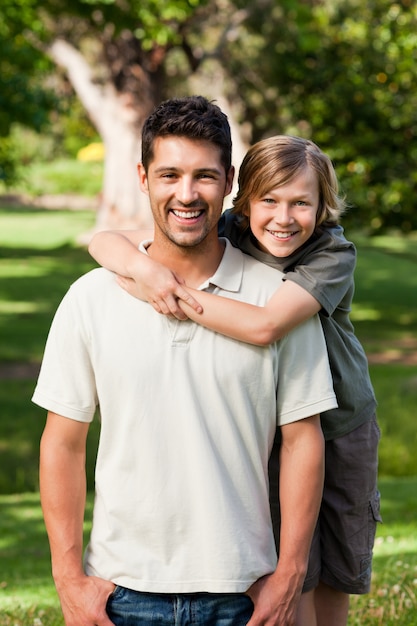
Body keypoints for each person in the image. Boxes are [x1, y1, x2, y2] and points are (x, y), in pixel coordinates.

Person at [33, 96, 337, 626]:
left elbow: (303, 438)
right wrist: (69, 580)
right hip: (120, 591)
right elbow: (62, 441)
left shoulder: (281, 300)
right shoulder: (91, 298)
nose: (187, 194)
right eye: (169, 174)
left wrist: (289, 574)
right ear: (143, 177)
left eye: (204, 176)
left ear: (230, 181)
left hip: (246, 592)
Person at [88, 134, 381, 626]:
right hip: (271, 426)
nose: (283, 219)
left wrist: (168, 291)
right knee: (293, 565)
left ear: (322, 206)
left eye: (301, 203)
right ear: (243, 201)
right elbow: (103, 243)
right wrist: (144, 268)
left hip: (342, 427)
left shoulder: (332, 254)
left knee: (338, 570)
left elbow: (265, 325)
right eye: (269, 200)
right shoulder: (231, 231)